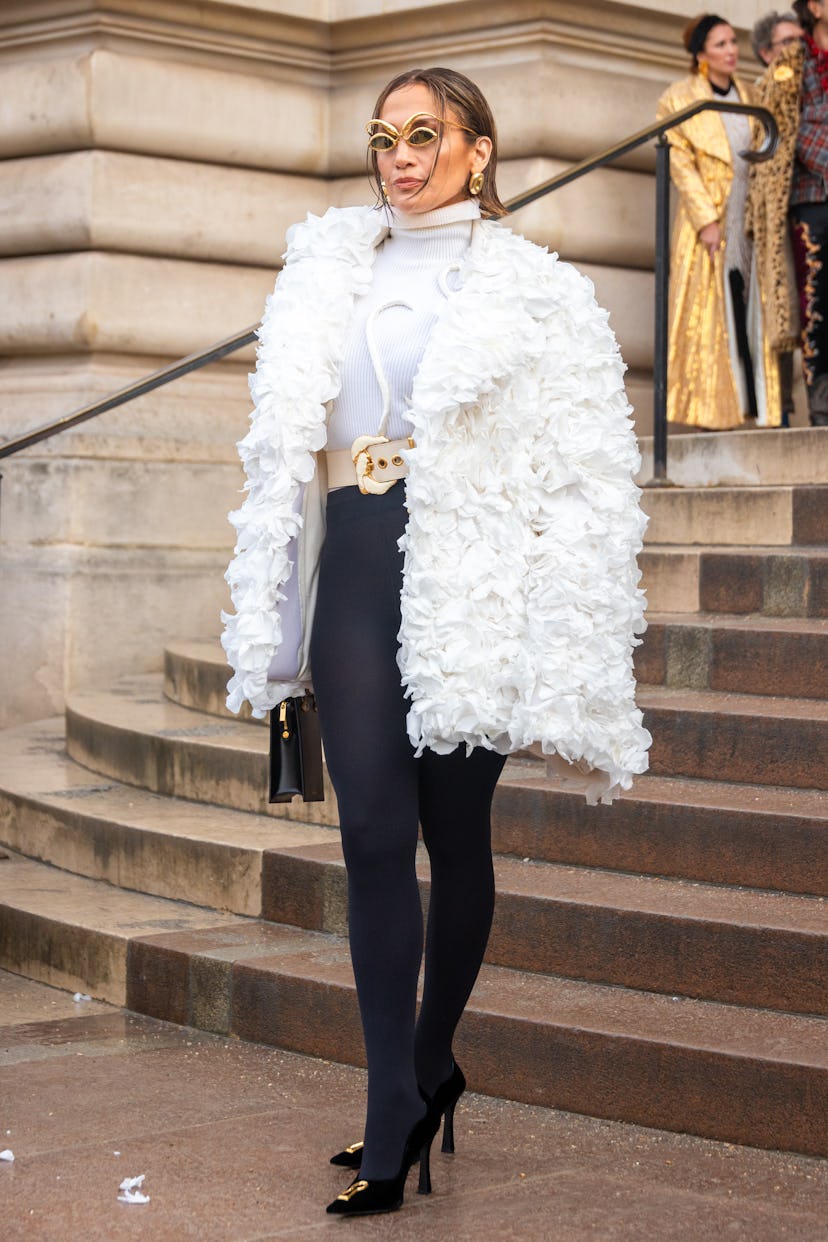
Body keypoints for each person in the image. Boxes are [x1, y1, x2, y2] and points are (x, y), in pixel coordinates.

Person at [221, 66, 651, 1217]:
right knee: (372, 829)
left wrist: (569, 630)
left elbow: (586, 470)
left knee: (455, 833)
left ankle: (432, 1057)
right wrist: (275, 609)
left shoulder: (536, 289)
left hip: (475, 567)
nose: (400, 157)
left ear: (479, 149)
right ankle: (387, 1112)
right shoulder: (328, 266)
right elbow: (286, 451)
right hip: (360, 551)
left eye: (425, 135)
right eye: (384, 138)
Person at [656, 14, 782, 429]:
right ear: (701, 55)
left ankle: (755, 407)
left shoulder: (749, 96)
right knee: (711, 310)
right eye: (721, 44)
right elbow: (679, 160)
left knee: (750, 307)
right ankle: (712, 412)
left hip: (749, 219)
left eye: (733, 42)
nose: (732, 51)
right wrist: (706, 218)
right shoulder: (679, 98)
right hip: (708, 222)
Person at [748, 0, 828, 426]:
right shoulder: (796, 63)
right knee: (811, 305)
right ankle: (819, 408)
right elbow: (792, 125)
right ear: (813, 8)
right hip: (810, 199)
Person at [750, 11, 804, 425]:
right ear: (767, 52)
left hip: (807, 205)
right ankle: (782, 408)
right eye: (787, 43)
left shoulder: (811, 85)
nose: (796, 50)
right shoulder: (763, 92)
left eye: (799, 41)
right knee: (780, 314)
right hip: (776, 219)